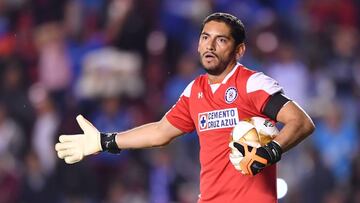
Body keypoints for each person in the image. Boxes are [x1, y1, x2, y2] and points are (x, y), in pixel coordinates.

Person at [55, 12, 315, 203]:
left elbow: (301, 122)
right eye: (205, 38)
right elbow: (161, 132)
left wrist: (271, 150)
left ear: (239, 50)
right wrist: (104, 141)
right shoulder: (195, 91)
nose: (210, 46)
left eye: (221, 40)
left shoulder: (253, 84)